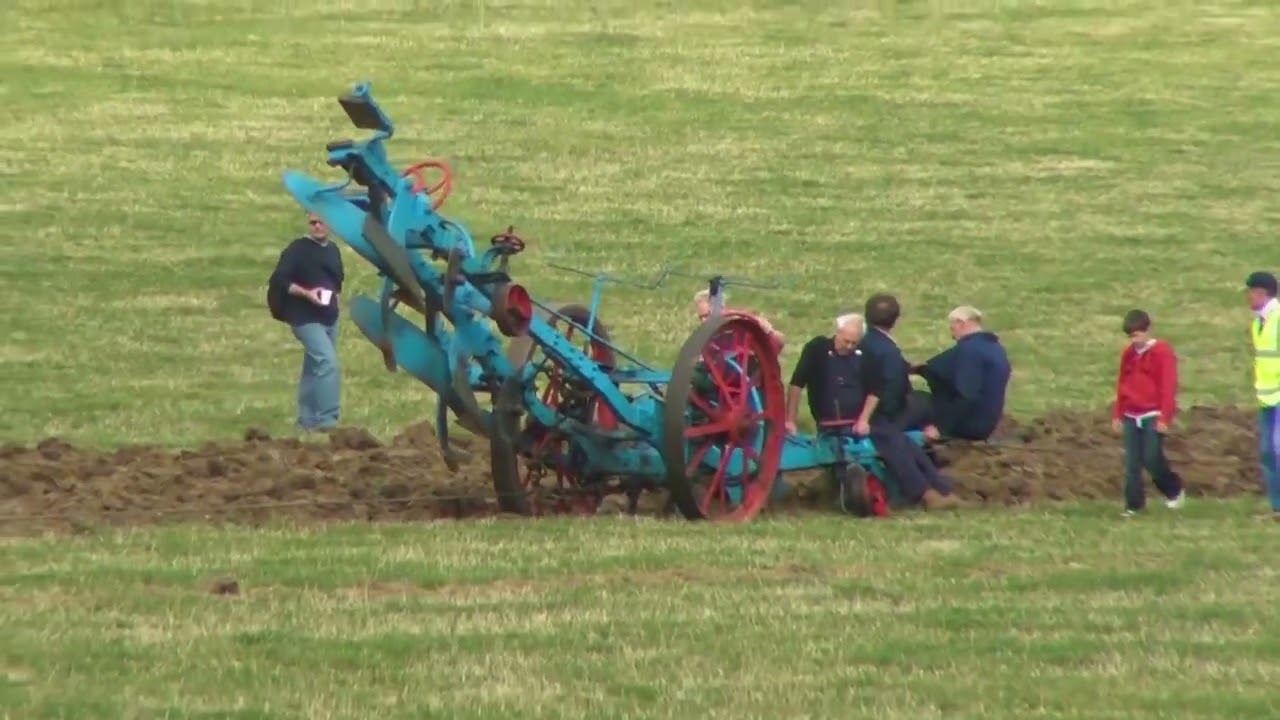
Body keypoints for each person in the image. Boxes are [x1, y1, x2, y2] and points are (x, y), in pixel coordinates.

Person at [854, 293, 961, 510]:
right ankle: (935, 485)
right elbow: (892, 387)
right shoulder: (888, 350)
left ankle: (940, 490)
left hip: (870, 409)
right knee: (925, 404)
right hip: (885, 414)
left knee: (904, 438)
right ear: (895, 319)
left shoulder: (866, 342)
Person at [270, 212, 345, 432]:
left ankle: (307, 421)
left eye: (322, 222)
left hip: (329, 316)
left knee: (314, 367)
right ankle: (328, 420)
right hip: (304, 317)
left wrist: (335, 302)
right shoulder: (297, 249)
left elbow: (337, 283)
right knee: (327, 362)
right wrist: (308, 294)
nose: (317, 226)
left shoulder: (333, 250)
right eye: (313, 223)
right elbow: (280, 279)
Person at [1109, 309, 1185, 516]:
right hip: (1131, 415)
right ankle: (1134, 505)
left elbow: (1168, 386)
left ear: (1148, 330)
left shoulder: (1162, 352)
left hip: (1153, 414)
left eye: (1137, 335)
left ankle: (1173, 489)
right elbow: (1122, 384)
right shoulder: (1128, 354)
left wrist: (1164, 416)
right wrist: (1117, 413)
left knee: (1152, 457)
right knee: (1132, 463)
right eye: (1131, 337)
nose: (1134, 341)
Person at [910, 305, 1012, 440]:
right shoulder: (995, 349)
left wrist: (940, 428)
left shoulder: (969, 351)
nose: (952, 335)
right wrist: (921, 370)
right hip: (987, 423)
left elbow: (967, 395)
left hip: (968, 424)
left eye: (952, 328)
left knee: (914, 401)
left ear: (961, 323)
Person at [784, 313, 866, 434]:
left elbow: (875, 390)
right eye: (846, 341)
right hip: (826, 425)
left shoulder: (864, 354)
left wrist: (865, 419)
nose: (849, 346)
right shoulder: (818, 349)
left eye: (854, 343)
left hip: (856, 426)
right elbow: (797, 383)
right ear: (838, 332)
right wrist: (790, 420)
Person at [1245, 271, 1280, 520]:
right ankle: (1277, 507)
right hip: (1267, 398)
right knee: (1268, 452)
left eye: (1250, 291)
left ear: (1262, 292)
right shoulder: (1258, 323)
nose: (1248, 297)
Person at [693, 289, 786, 354]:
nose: (704, 321)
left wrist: (769, 331)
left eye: (707, 315)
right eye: (701, 317)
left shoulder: (740, 323)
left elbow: (779, 342)